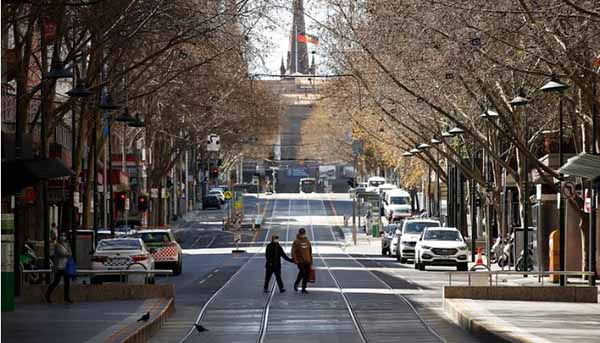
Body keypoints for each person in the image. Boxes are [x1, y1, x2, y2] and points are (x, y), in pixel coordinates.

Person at [45, 232, 73, 303]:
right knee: (56, 282)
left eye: (64, 236)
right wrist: (68, 254)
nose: (63, 237)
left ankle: (66, 297)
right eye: (61, 236)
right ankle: (47, 295)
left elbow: (70, 253)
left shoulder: (67, 244)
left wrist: (68, 253)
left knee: (67, 283)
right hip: (59, 267)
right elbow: (62, 253)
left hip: (65, 267)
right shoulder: (57, 245)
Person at [291, 228, 313, 293]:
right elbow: (293, 252)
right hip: (300, 261)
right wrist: (295, 260)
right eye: (301, 234)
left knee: (306, 274)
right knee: (302, 272)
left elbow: (310, 251)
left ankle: (303, 288)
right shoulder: (296, 242)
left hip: (307, 260)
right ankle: (296, 284)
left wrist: (311, 260)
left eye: (303, 234)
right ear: (299, 234)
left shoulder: (308, 241)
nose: (302, 235)